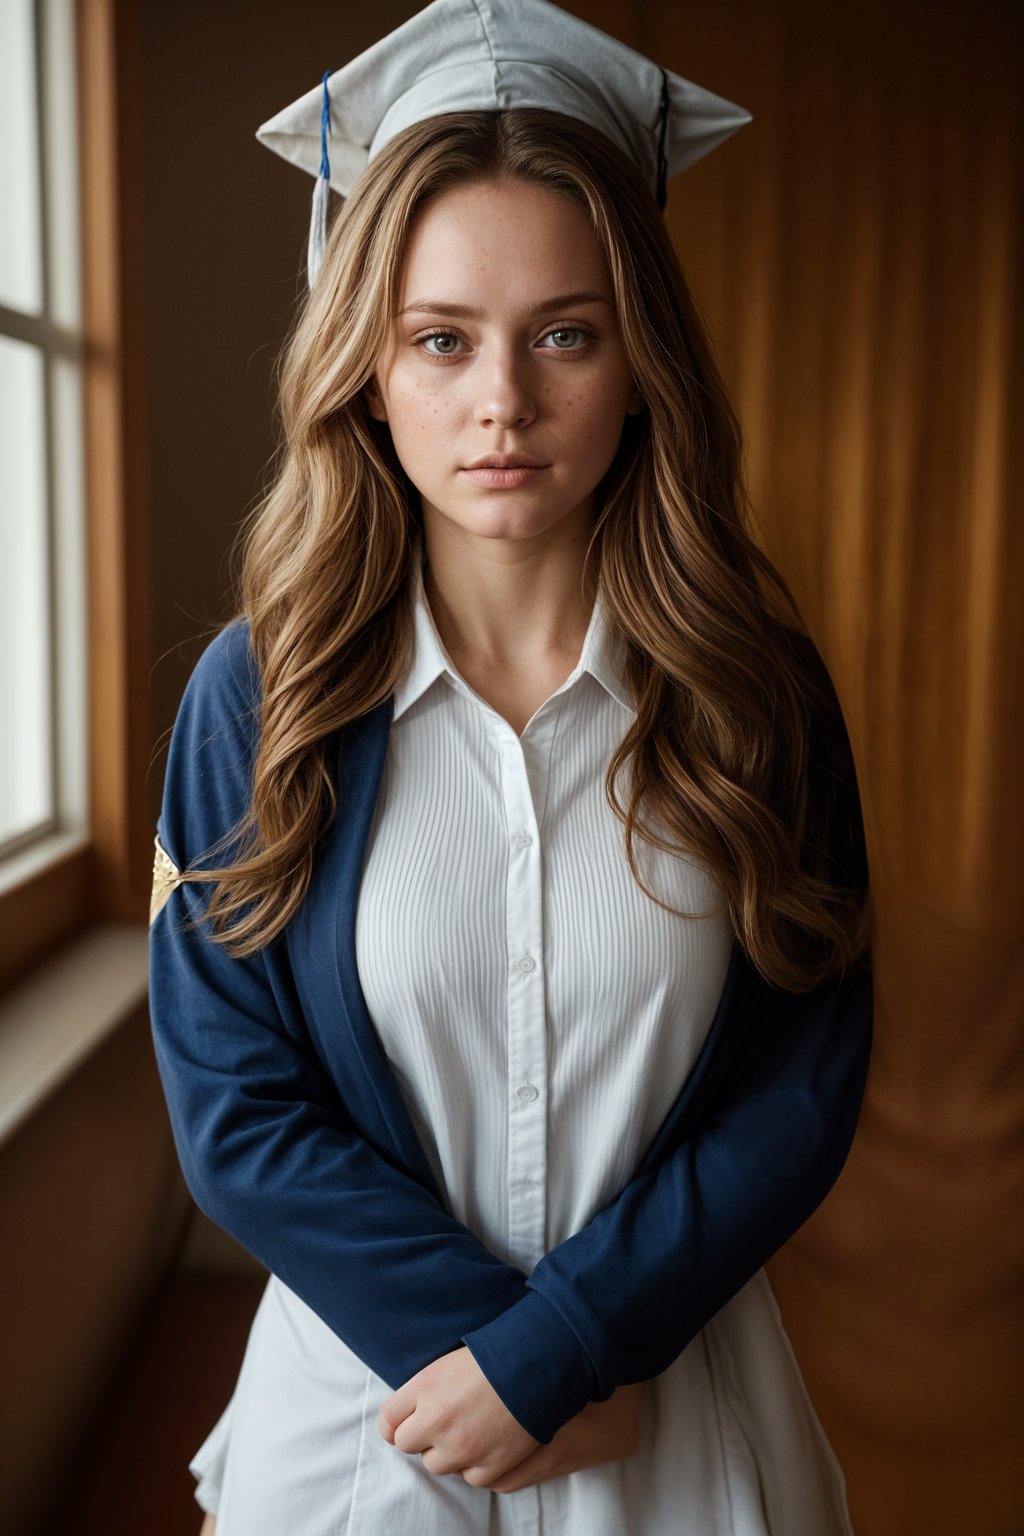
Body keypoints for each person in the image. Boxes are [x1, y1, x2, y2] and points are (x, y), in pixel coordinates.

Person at [148, 3, 873, 1532]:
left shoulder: (757, 695)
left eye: (564, 332)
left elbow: (797, 1087)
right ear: (367, 363)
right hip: (364, 1431)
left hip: (671, 1422)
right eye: (440, 338)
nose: (503, 404)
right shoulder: (254, 701)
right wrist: (497, 1357)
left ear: (636, 359)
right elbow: (235, 1103)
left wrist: (573, 1347)